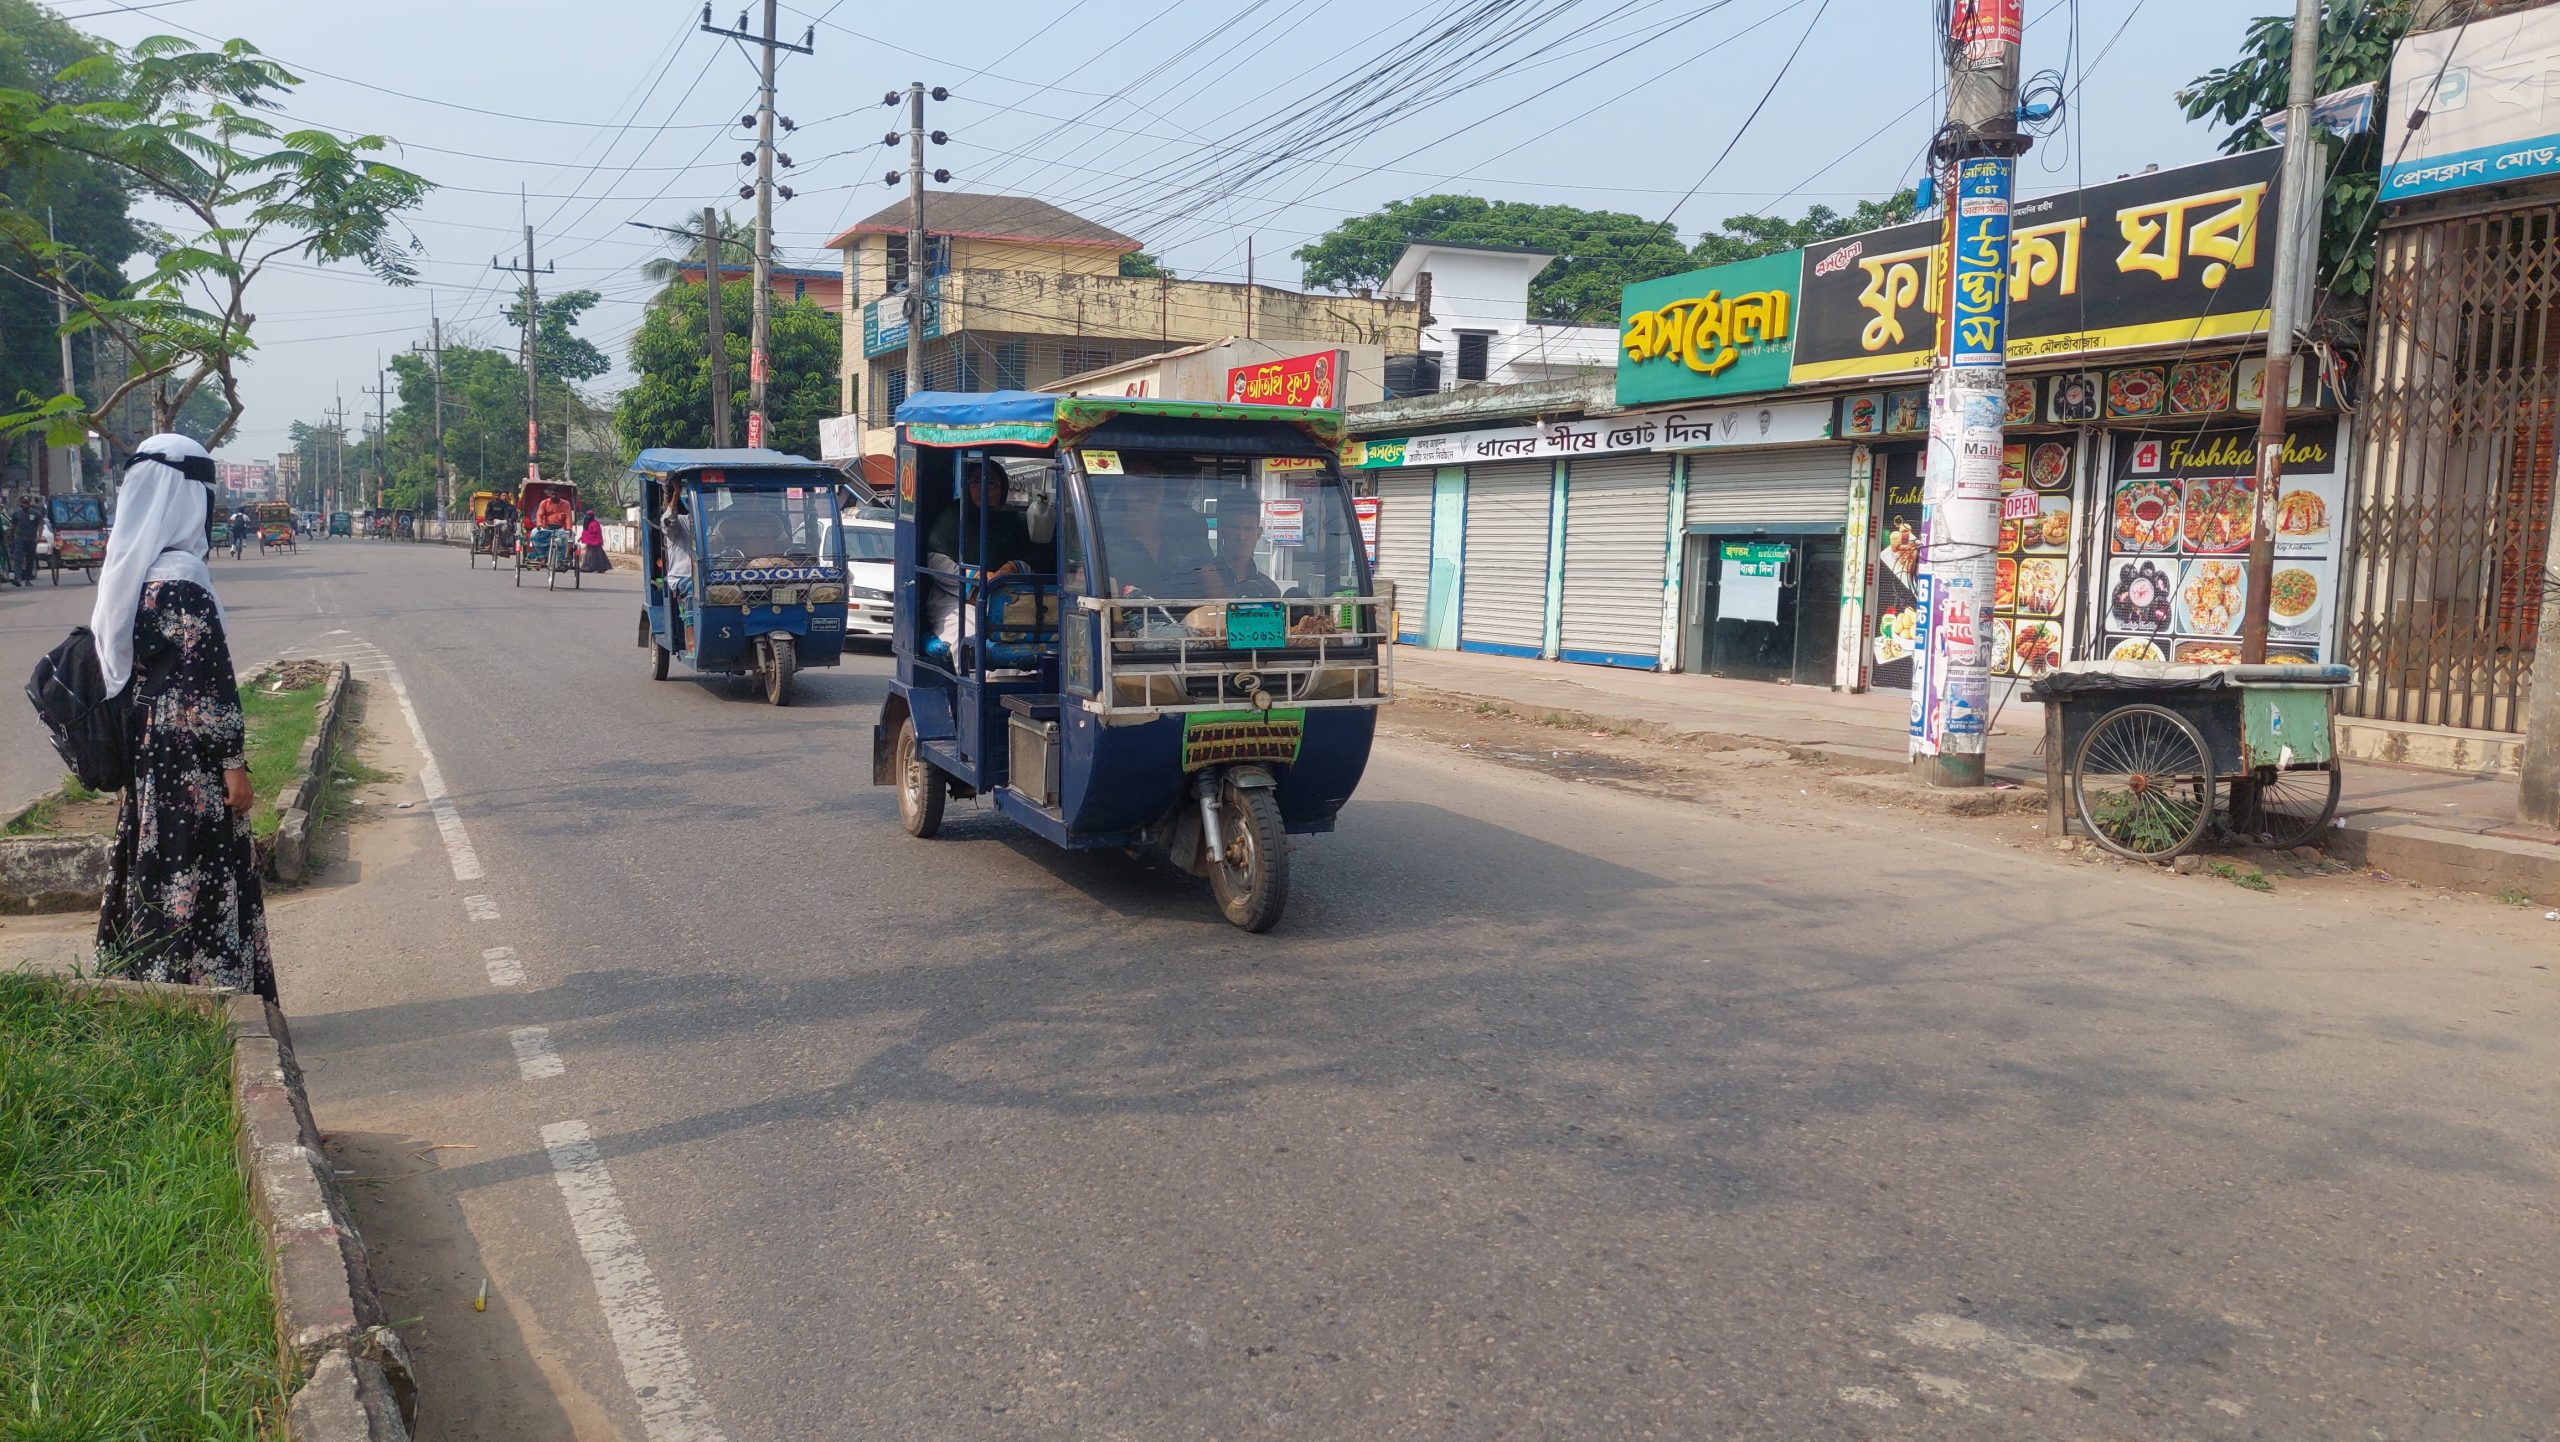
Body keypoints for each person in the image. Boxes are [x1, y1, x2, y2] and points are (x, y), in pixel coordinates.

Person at [92, 435, 273, 1000]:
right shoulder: (184, 579)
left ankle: (156, 991)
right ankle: (211, 997)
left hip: (150, 745)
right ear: (190, 497)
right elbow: (209, 685)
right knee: (201, 871)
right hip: (191, 754)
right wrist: (233, 762)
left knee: (159, 865)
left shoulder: (133, 574)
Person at [11, 495, 40, 585]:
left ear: (30, 503)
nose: (25, 505)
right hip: (19, 538)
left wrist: (39, 535)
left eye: (27, 503)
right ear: (20, 503)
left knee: (30, 559)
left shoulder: (36, 513)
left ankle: (28, 579)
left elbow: (40, 525)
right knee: (18, 558)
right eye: (24, 503)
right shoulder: (16, 514)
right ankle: (17, 578)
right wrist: (10, 535)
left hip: (31, 538)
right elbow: (13, 526)